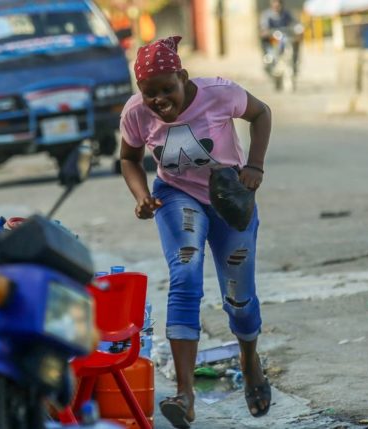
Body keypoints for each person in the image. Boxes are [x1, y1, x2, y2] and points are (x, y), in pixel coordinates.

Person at [118, 36, 273, 428]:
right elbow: (128, 159)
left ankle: (249, 359)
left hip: (228, 197)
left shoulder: (219, 94)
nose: (158, 100)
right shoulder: (136, 113)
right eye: (149, 93)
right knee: (185, 273)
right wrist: (140, 196)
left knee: (238, 296)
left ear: (183, 77)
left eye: (167, 89)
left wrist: (254, 165)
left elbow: (262, 113)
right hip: (174, 196)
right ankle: (185, 395)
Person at [259, 0, 301, 72]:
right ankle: (268, 58)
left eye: (278, 2)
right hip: (272, 38)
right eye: (274, 2)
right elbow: (263, 25)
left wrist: (298, 29)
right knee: (264, 40)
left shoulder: (286, 14)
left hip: (285, 36)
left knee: (295, 40)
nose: (276, 4)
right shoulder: (267, 14)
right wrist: (265, 30)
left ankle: (295, 60)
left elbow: (295, 23)